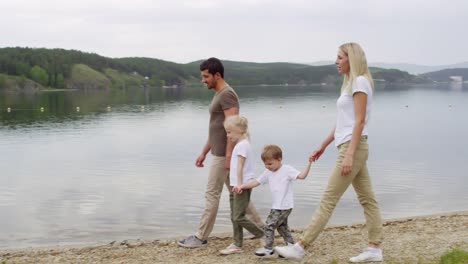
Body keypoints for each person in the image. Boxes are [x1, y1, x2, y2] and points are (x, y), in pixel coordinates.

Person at [275, 42, 384, 262]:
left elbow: (360, 121)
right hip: (350, 145)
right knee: (368, 199)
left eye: (340, 57)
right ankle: (374, 249)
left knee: (328, 198)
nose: (336, 61)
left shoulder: (360, 82)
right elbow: (344, 122)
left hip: (353, 147)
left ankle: (301, 246)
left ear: (351, 59)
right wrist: (323, 145)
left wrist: (350, 154)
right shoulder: (350, 84)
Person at [178, 58, 263, 248]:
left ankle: (201, 237)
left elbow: (233, 130)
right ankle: (259, 228)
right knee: (238, 191)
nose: (203, 80)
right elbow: (217, 129)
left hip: (225, 155)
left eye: (206, 76)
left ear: (217, 75)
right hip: (219, 153)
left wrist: (228, 158)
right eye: (202, 76)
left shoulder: (227, 95)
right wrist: (203, 152)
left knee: (211, 194)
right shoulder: (219, 94)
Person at [233, 144, 313, 257]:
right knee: (282, 227)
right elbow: (256, 182)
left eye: (270, 164)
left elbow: (302, 176)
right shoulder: (268, 172)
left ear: (279, 159)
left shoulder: (287, 170)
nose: (267, 166)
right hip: (277, 206)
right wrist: (241, 186)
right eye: (265, 164)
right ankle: (291, 247)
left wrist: (309, 163)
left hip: (284, 206)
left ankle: (268, 249)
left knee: (269, 226)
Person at [219, 115, 265, 255]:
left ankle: (262, 234)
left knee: (238, 216)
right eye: (227, 132)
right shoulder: (241, 144)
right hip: (235, 185)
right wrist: (235, 185)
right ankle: (237, 244)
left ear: (239, 130)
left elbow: (240, 167)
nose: (228, 135)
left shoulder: (242, 146)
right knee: (234, 215)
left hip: (241, 186)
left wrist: (239, 185)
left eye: (229, 132)